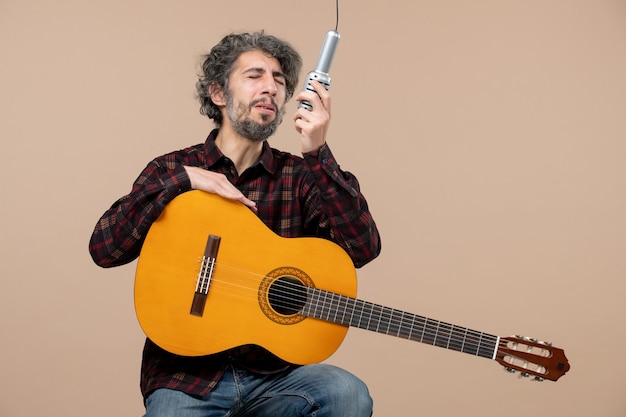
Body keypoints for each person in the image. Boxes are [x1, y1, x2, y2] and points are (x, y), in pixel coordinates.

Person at [89, 31, 381, 417]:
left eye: (279, 79)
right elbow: (104, 249)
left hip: (276, 379)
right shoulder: (172, 168)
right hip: (186, 379)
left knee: (347, 393)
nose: (272, 87)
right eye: (255, 75)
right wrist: (185, 181)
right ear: (219, 94)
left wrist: (318, 152)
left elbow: (363, 248)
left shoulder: (301, 176)